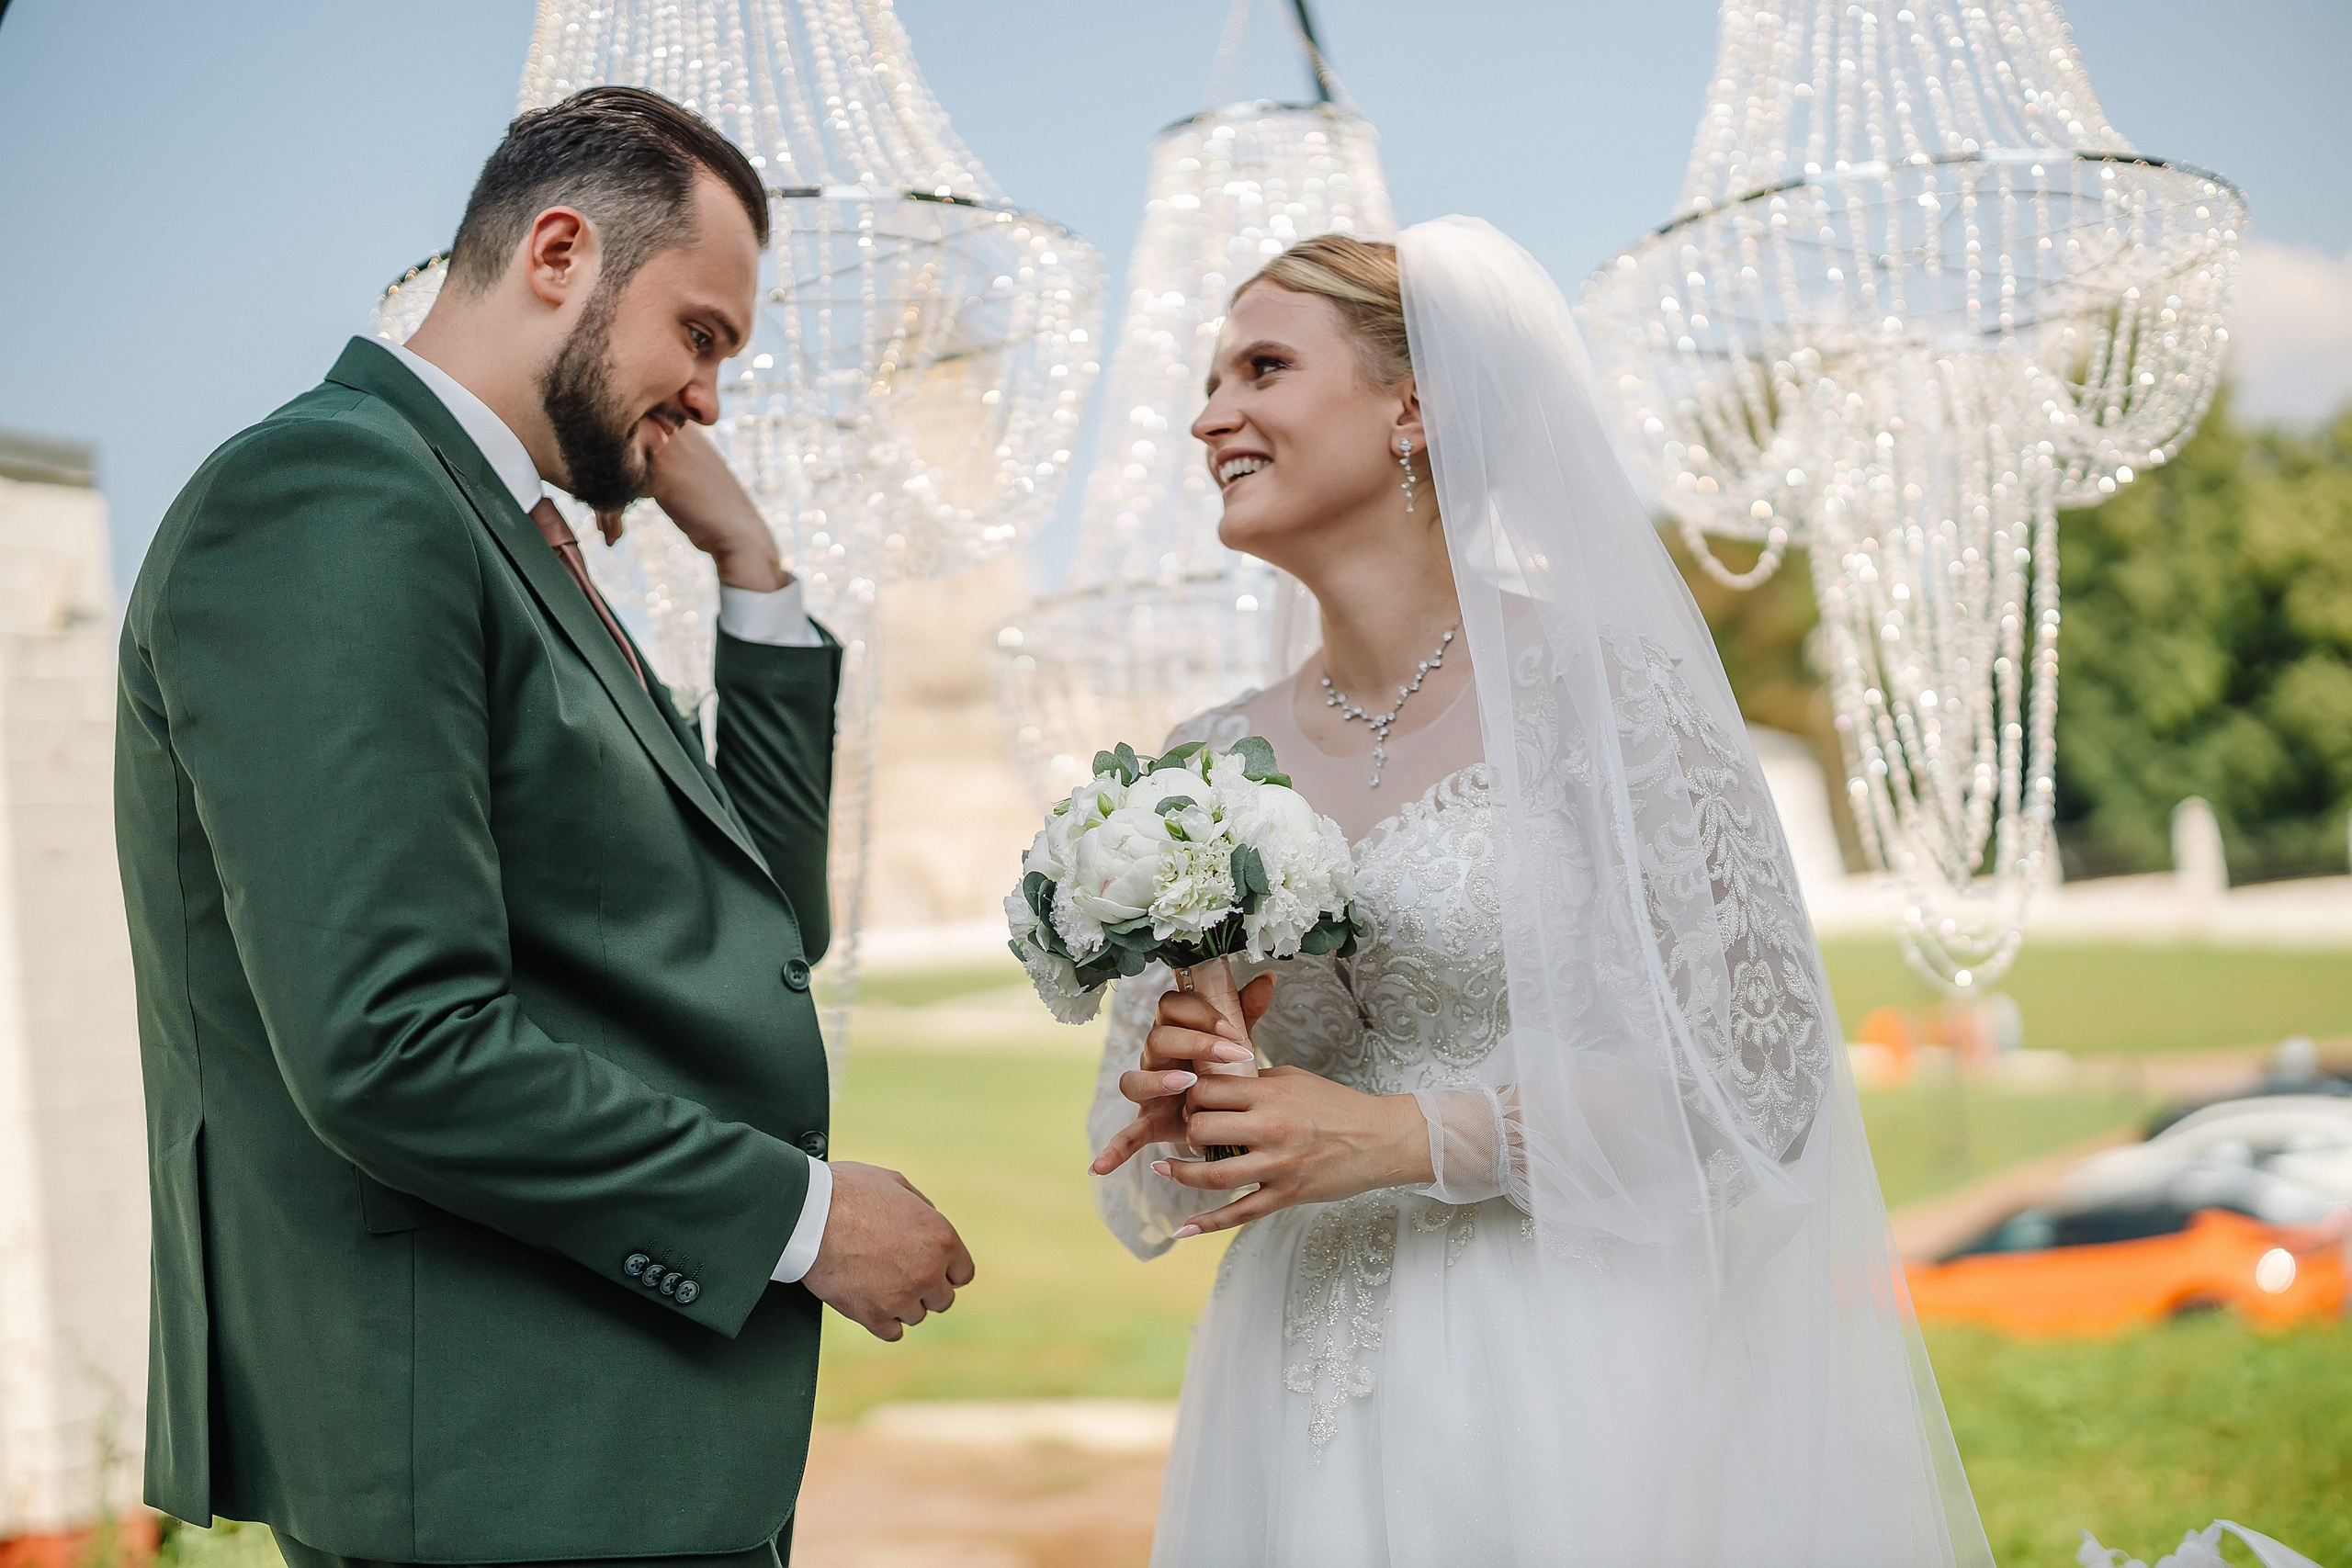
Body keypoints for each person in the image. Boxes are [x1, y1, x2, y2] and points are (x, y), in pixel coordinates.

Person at [117, 86, 970, 1568]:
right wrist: (805, 1219)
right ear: (560, 255)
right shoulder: (336, 497)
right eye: (701, 335)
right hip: (489, 1459)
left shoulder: (509, 539)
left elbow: (756, 924)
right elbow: (393, 1041)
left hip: (616, 1451)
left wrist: (755, 576)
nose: (711, 397)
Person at [1088, 222, 1996, 1564]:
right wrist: (1182, 1102)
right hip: (1291, 1387)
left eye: (1262, 368)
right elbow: (1141, 1183)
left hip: (1567, 1363)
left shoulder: (1606, 697)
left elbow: (1761, 1083)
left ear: (1414, 404)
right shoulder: (1205, 761)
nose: (1207, 415)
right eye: (1213, 381)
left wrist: (1406, 1138)